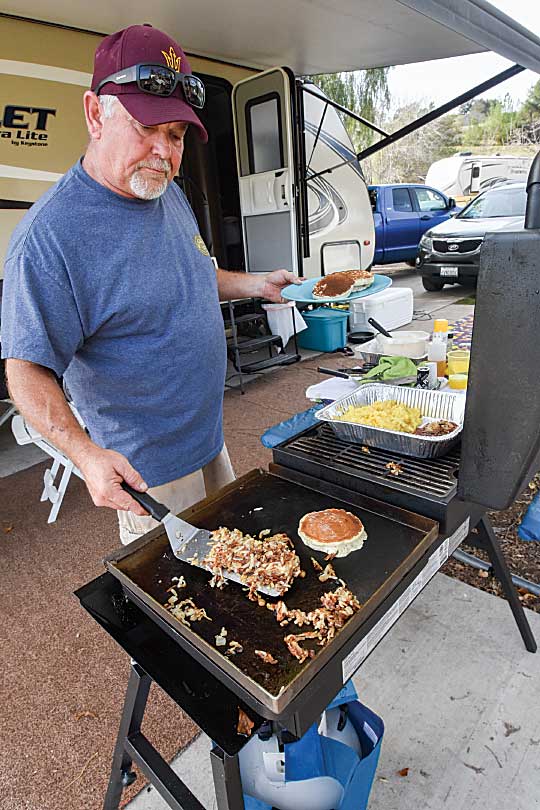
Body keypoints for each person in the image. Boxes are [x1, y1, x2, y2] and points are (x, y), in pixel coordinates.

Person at [1, 24, 299, 544]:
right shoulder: (51, 238)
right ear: (95, 113)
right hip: (147, 469)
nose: (164, 151)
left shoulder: (165, 192)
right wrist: (87, 455)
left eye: (177, 136)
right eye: (148, 128)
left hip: (206, 436)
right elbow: (25, 369)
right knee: (179, 603)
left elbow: (193, 275)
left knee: (233, 562)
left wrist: (258, 286)